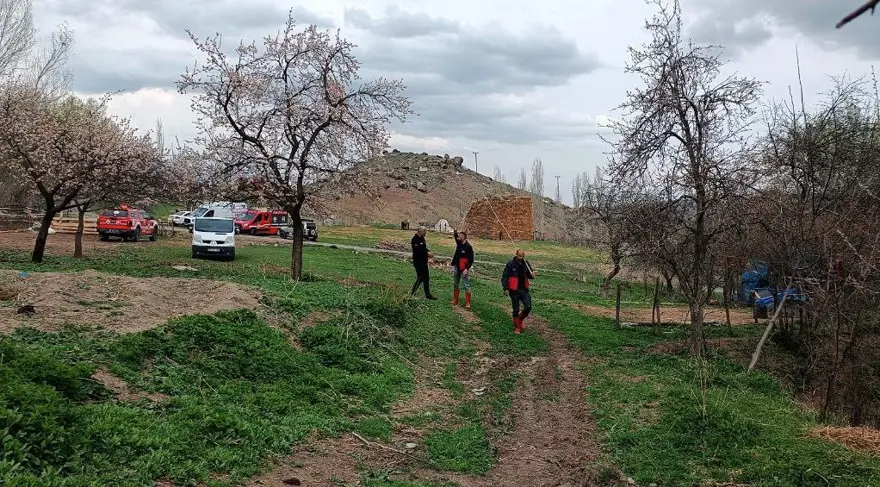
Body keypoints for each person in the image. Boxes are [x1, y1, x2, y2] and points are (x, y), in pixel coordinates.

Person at [501, 249, 536, 334]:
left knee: (528, 307)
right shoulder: (510, 264)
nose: (521, 258)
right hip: (514, 290)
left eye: (522, 256)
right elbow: (505, 276)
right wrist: (505, 288)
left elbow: (529, 275)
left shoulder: (526, 263)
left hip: (524, 289)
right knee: (516, 309)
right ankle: (517, 327)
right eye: (519, 256)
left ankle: (520, 320)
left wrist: (532, 275)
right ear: (516, 255)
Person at [411, 226, 437, 300]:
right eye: (425, 232)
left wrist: (428, 252)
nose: (425, 233)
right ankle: (412, 293)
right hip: (418, 262)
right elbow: (418, 251)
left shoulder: (422, 239)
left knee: (426, 278)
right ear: (421, 231)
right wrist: (427, 254)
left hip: (423, 262)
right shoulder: (415, 239)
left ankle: (427, 294)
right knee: (420, 277)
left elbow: (423, 248)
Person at [451, 230, 474, 309]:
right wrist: (455, 232)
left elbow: (471, 259)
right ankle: (455, 299)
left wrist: (466, 269)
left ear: (464, 237)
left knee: (466, 285)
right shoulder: (459, 243)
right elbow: (455, 238)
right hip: (457, 267)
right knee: (456, 283)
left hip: (463, 267)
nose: (458, 237)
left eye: (460, 236)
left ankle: (467, 302)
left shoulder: (468, 247)